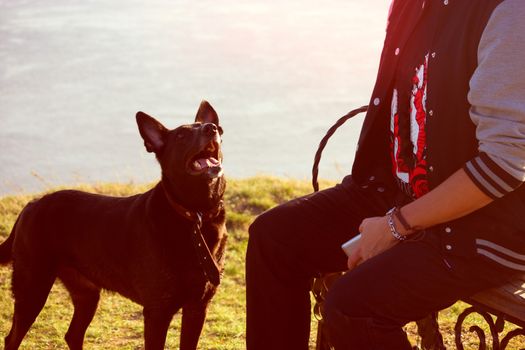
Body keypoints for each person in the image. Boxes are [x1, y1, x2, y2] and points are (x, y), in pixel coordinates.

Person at [245, 0, 525, 349]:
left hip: (483, 226)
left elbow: (506, 161)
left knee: (355, 309)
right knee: (274, 238)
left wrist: (396, 225)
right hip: (397, 192)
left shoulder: (509, 12)